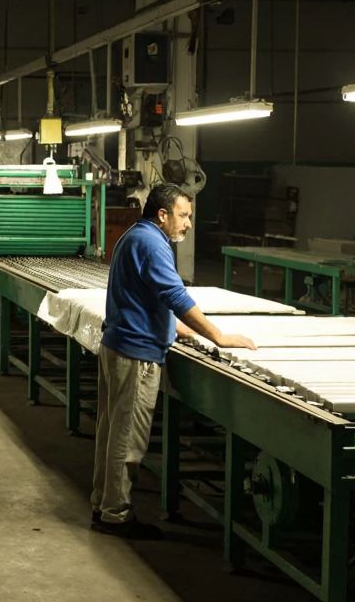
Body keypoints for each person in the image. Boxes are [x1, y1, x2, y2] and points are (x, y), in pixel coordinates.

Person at [90, 182, 256, 539]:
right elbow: (174, 295)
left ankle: (103, 502)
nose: (189, 224)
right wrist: (218, 336)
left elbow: (144, 296)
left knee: (111, 431)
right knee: (127, 439)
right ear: (163, 214)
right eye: (184, 216)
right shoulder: (152, 243)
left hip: (118, 344)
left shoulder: (137, 235)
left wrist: (178, 329)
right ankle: (115, 515)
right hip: (136, 353)